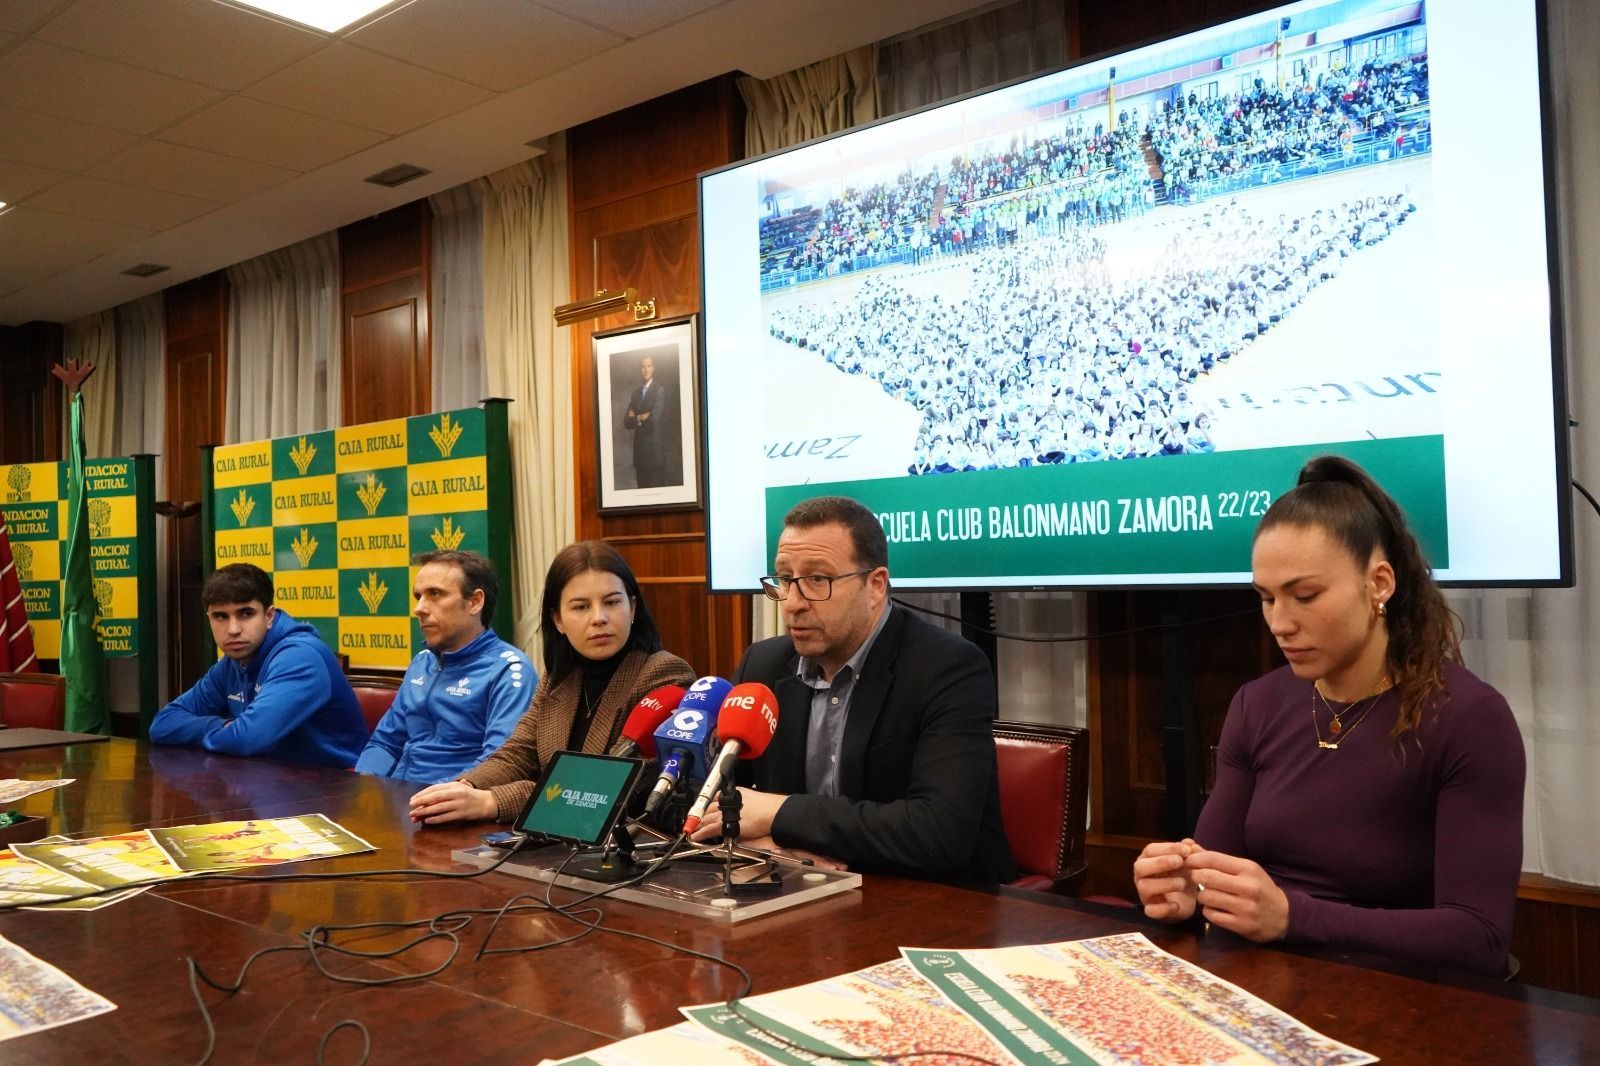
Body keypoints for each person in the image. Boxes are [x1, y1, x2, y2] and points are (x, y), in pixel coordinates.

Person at [1133, 456, 1525, 977]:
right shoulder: (1257, 705)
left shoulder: (1469, 718)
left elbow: (1479, 937)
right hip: (1260, 988)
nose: (1280, 622)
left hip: (1396, 1000)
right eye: (1267, 599)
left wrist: (1294, 918)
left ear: (1379, 583)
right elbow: (1214, 867)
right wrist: (1184, 891)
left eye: (1305, 595)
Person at [690, 495, 1015, 882]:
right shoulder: (763, 665)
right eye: (784, 578)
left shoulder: (948, 669)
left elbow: (938, 833)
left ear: (875, 585)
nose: (792, 603)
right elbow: (697, 802)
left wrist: (779, 813)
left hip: (933, 900)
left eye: (816, 580)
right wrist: (763, 845)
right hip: (801, 892)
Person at [408, 541, 694, 824]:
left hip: (625, 846)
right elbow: (517, 754)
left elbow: (598, 791)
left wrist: (492, 801)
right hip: (558, 847)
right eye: (581, 607)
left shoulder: (664, 674)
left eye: (612, 602)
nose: (599, 618)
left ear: (632, 609)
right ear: (558, 620)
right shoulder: (560, 677)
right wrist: (466, 787)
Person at [150, 563, 366, 769]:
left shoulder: (300, 657)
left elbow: (247, 739)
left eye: (246, 614)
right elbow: (162, 724)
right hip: (272, 780)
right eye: (220, 617)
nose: (233, 629)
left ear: (269, 616)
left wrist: (229, 730)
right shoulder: (232, 662)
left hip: (335, 788)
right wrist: (223, 727)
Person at [354, 550, 535, 784]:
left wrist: (428, 799)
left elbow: (498, 763)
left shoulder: (509, 670)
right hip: (398, 798)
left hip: (453, 805)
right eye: (418, 596)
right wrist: (360, 789)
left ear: (475, 602)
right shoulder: (422, 663)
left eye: (435, 594)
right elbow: (385, 743)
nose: (419, 608)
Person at [623, 355, 667, 488]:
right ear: (640, 370)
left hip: (654, 455)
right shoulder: (635, 394)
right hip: (640, 455)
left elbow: (654, 421)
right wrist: (641, 417)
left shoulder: (659, 391)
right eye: (643, 367)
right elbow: (626, 422)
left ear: (653, 368)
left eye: (648, 366)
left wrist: (635, 417)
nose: (645, 370)